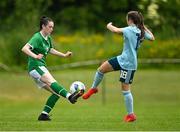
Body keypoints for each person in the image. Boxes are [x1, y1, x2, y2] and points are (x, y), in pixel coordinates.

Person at [82, 11, 155, 122]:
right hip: (122, 59)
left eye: (127, 18)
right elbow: (152, 38)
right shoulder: (141, 31)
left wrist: (108, 25)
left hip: (129, 64)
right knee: (101, 69)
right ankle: (93, 88)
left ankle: (131, 115)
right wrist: (143, 26)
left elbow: (115, 30)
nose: (127, 20)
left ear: (130, 20)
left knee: (125, 90)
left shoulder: (129, 29)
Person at [21, 16, 84, 121]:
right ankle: (70, 96)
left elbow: (50, 49)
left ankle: (44, 115)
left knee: (56, 92)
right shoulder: (37, 37)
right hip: (35, 66)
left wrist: (64, 55)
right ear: (43, 26)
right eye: (50, 27)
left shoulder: (48, 38)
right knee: (52, 81)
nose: (52, 29)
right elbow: (24, 48)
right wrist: (35, 56)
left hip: (40, 66)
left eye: (52, 27)